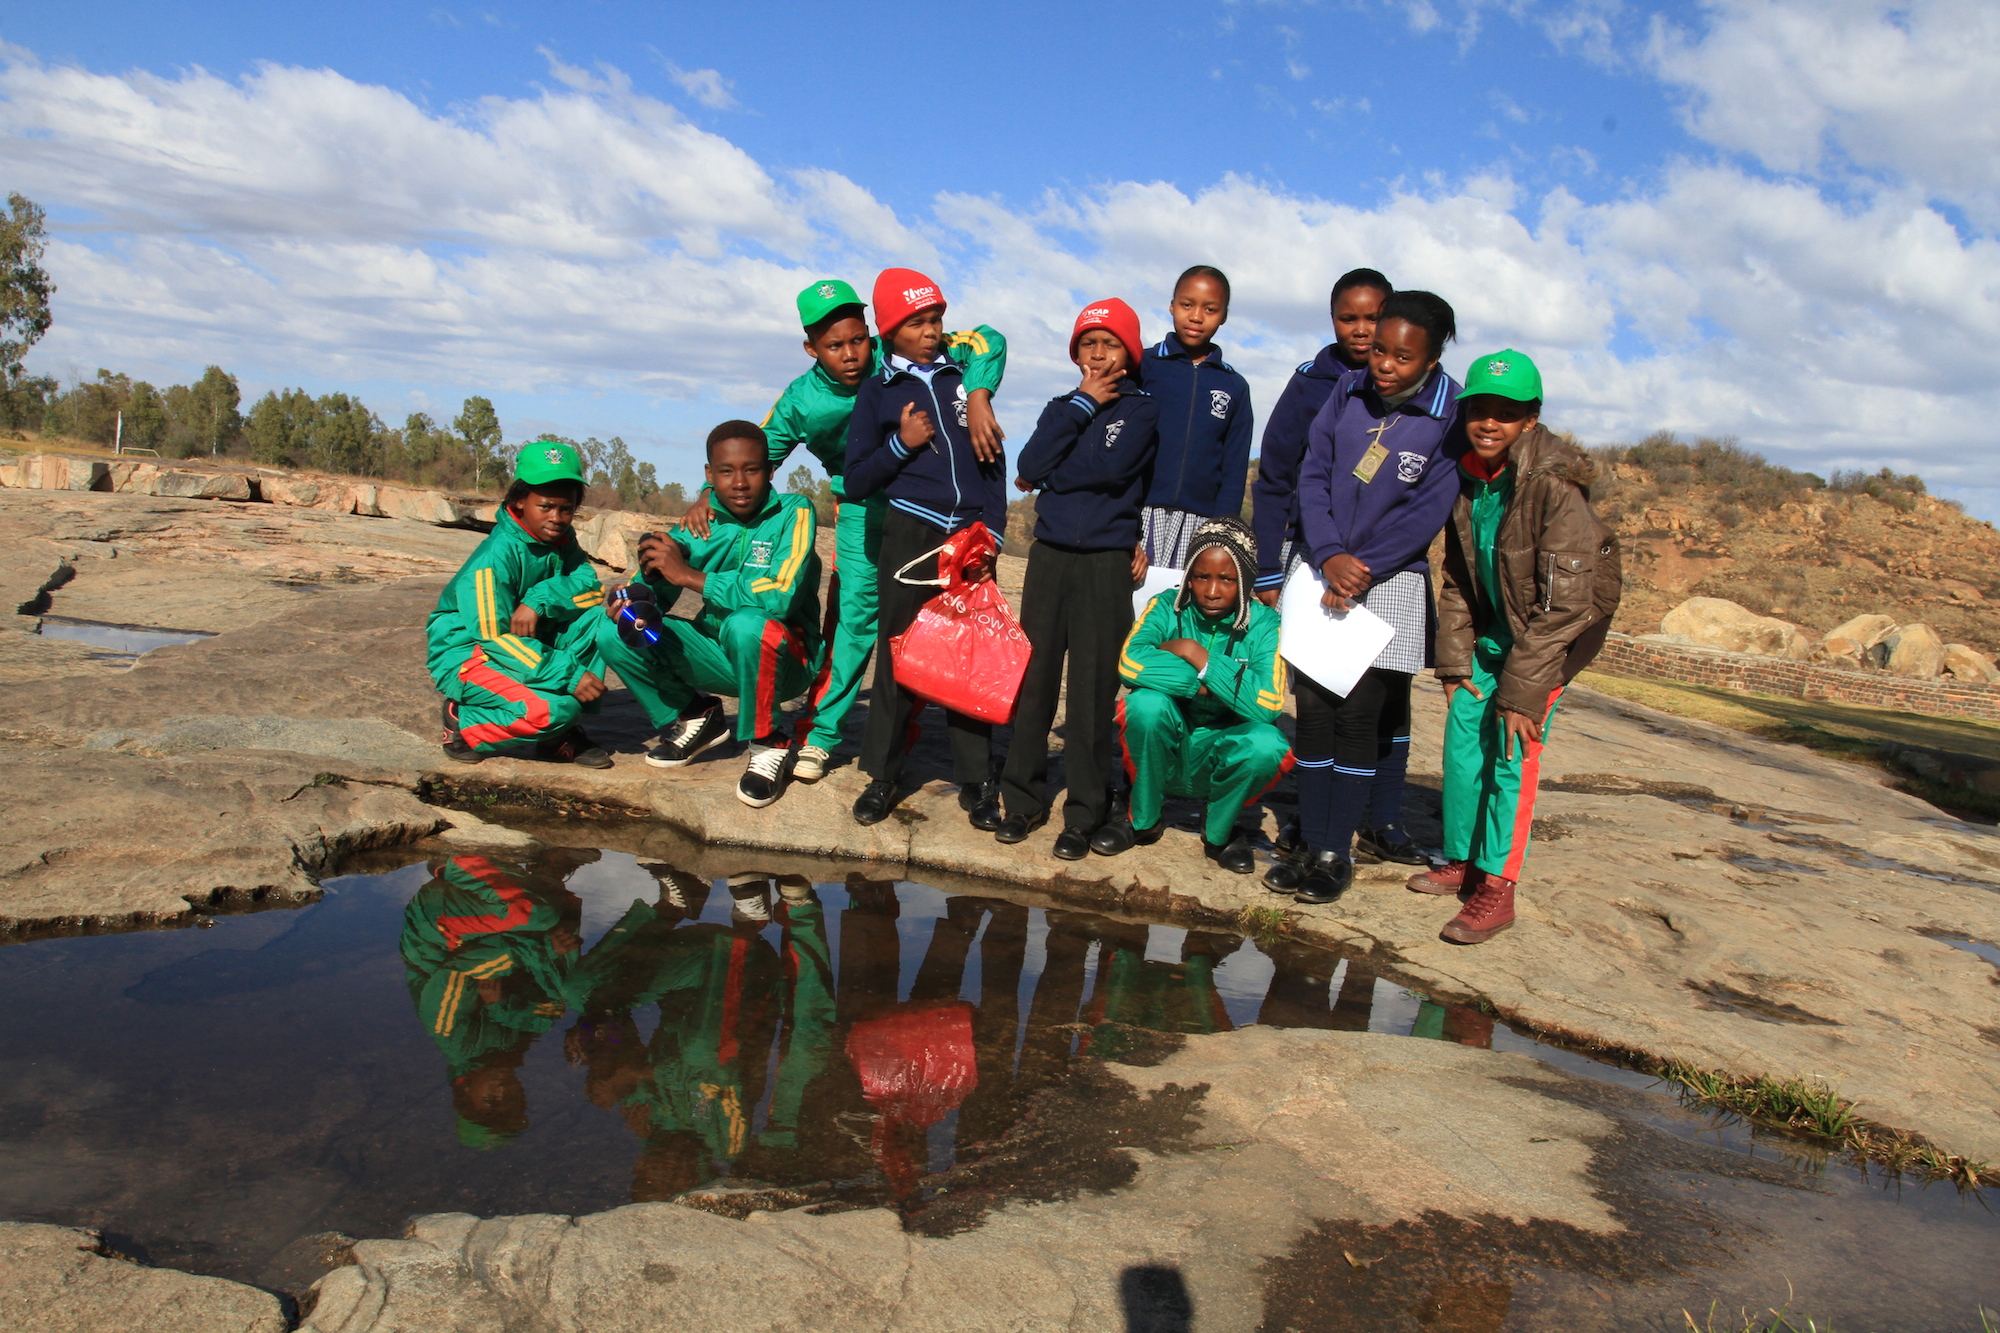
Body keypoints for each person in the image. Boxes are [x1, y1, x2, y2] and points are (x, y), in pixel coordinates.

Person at [676, 279, 1008, 784]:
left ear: (872, 334)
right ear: (811, 348)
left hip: (928, 510)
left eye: (858, 340)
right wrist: (704, 497)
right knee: (856, 619)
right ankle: (822, 735)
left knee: (931, 620)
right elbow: (750, 451)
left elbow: (988, 340)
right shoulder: (801, 400)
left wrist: (979, 393)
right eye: (834, 346)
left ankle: (918, 734)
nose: (851, 355)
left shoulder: (898, 351)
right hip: (862, 511)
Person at [1409, 349, 1620, 944]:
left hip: (1551, 641)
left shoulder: (1555, 487)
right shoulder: (1468, 476)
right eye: (1480, 408)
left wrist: (1524, 693)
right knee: (1460, 739)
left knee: (1511, 747)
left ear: (1531, 419)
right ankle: (1462, 861)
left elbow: (1567, 605)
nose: (1490, 422)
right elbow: (1455, 578)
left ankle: (1497, 888)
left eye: (1507, 412)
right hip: (1493, 634)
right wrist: (1454, 664)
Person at [1271, 290, 1466, 904]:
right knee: (1316, 716)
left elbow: (1430, 507)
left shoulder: (1449, 414)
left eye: (1402, 357)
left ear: (1430, 361)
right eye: (1379, 350)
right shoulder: (1345, 391)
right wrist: (1327, 554)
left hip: (1388, 582)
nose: (1383, 365)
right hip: (1320, 569)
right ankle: (1311, 841)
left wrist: (1365, 567)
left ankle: (1335, 854)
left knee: (1356, 719)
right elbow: (1313, 472)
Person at [843, 268, 1010, 829]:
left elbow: (993, 462)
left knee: (968, 657)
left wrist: (993, 533)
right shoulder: (877, 392)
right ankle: (884, 776)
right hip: (911, 533)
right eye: (917, 322)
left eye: (936, 319)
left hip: (969, 538)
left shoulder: (965, 382)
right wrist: (901, 442)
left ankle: (978, 779)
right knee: (900, 653)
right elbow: (858, 478)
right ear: (890, 331)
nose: (931, 331)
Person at [997, 298, 1159, 858]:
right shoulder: (1061, 405)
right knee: (1034, 680)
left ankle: (1085, 812)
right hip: (1050, 557)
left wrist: (1055, 469)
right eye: (1087, 343)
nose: (1097, 352)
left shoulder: (1143, 411)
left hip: (1106, 564)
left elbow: (1111, 470)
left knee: (1093, 690)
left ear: (1130, 354)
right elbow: (1028, 466)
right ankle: (1021, 801)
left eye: (1109, 343)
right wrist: (1082, 405)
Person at [606, 421, 824, 808]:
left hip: (786, 661)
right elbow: (653, 591)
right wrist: (631, 596)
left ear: (771, 470)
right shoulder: (697, 525)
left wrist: (691, 577)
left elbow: (781, 596)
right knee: (613, 629)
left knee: (746, 623)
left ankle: (769, 741)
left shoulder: (795, 512)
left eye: (751, 470)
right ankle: (698, 715)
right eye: (726, 471)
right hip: (719, 655)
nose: (739, 482)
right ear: (710, 476)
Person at [1114, 517, 1291, 872]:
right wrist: (1204, 683)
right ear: (1189, 578)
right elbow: (1131, 664)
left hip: (1221, 750)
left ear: (1245, 581)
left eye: (1227, 579)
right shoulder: (1166, 605)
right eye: (1201, 577)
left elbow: (1268, 703)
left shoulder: (1265, 623)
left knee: (1267, 744)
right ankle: (1143, 820)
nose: (1212, 591)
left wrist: (1196, 654)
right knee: (1145, 705)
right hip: (1171, 745)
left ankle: (1219, 831)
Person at [428, 440, 613, 768]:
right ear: (519, 501)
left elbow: (591, 590)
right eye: (545, 506)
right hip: (471, 653)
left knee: (602, 622)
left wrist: (538, 601)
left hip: (526, 642)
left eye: (566, 508)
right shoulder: (494, 559)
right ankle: (464, 722)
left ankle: (556, 736)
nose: (557, 517)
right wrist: (569, 676)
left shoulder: (561, 540)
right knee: (557, 710)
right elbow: (495, 638)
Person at [1251, 268, 1392, 602]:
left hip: (1380, 558)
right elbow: (1275, 477)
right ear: (1332, 318)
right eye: (1348, 319)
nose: (1361, 330)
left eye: (1373, 318)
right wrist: (1266, 566)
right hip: (1305, 548)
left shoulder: (1405, 389)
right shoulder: (1308, 385)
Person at [1136, 265, 1253, 571]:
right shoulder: (1143, 365)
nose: (1197, 316)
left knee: (1179, 611)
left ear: (1224, 315)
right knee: (1127, 608)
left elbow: (1234, 467)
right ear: (1172, 305)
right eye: (1187, 305)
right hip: (1138, 512)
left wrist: (1219, 534)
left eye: (1210, 309)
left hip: (1200, 522)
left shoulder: (1234, 386)